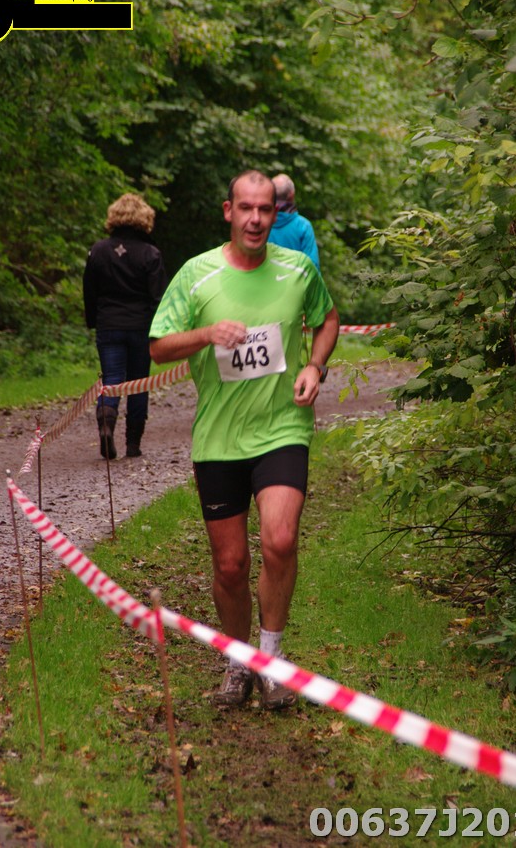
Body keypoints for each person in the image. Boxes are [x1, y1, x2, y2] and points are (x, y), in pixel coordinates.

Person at [149, 169, 339, 710]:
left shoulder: (297, 269)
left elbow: (327, 319)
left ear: (277, 214)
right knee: (230, 565)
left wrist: (315, 367)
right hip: (219, 438)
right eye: (247, 208)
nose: (256, 219)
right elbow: (158, 347)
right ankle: (238, 663)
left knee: (280, 539)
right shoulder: (197, 274)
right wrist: (207, 333)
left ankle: (271, 661)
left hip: (282, 428)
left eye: (265, 209)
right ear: (228, 211)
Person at [83, 193, 167, 459]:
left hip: (109, 325)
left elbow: (89, 291)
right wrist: (159, 331)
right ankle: (133, 444)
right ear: (145, 218)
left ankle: (106, 426)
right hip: (141, 327)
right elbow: (158, 297)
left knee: (112, 380)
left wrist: (93, 321)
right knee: (138, 383)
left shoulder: (98, 250)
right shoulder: (151, 254)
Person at [269, 173, 320, 270]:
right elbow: (313, 267)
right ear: (292, 195)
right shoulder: (303, 226)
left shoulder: (261, 224)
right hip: (296, 279)